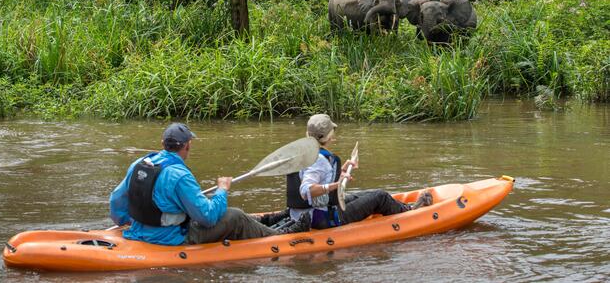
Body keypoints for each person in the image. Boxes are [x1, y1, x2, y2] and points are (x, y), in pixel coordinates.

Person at [109, 123, 310, 246]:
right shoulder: (179, 175)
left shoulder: (140, 163)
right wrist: (222, 190)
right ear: (188, 145)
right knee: (234, 216)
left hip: (139, 230)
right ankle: (281, 235)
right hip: (170, 238)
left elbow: (116, 200)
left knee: (221, 210)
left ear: (163, 143)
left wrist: (127, 222)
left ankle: (267, 219)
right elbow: (208, 218)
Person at [286, 114, 432, 229]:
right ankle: (412, 212)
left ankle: (404, 207)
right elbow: (306, 190)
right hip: (321, 219)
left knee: (362, 195)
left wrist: (342, 171)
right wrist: (337, 185)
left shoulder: (306, 153)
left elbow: (315, 175)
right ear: (330, 135)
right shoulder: (320, 160)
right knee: (380, 196)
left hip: (304, 214)